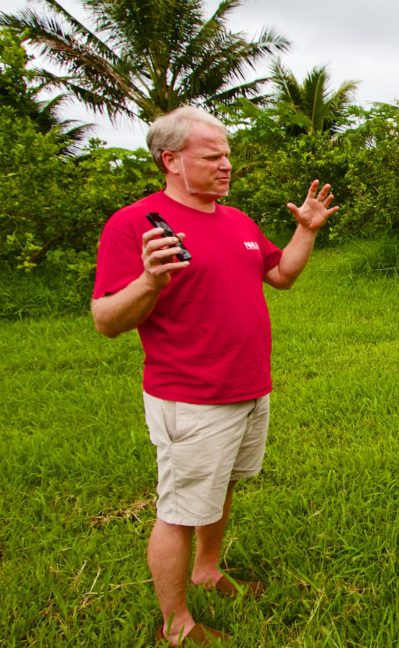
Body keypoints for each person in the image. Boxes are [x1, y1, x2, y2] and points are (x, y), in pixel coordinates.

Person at [91, 106, 337, 646]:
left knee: (222, 486)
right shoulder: (133, 223)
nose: (226, 165)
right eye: (212, 156)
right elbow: (106, 320)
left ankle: (207, 569)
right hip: (192, 396)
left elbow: (281, 275)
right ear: (171, 160)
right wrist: (150, 282)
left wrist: (305, 231)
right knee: (179, 510)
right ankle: (176, 624)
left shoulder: (236, 220)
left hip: (246, 387)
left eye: (227, 155)